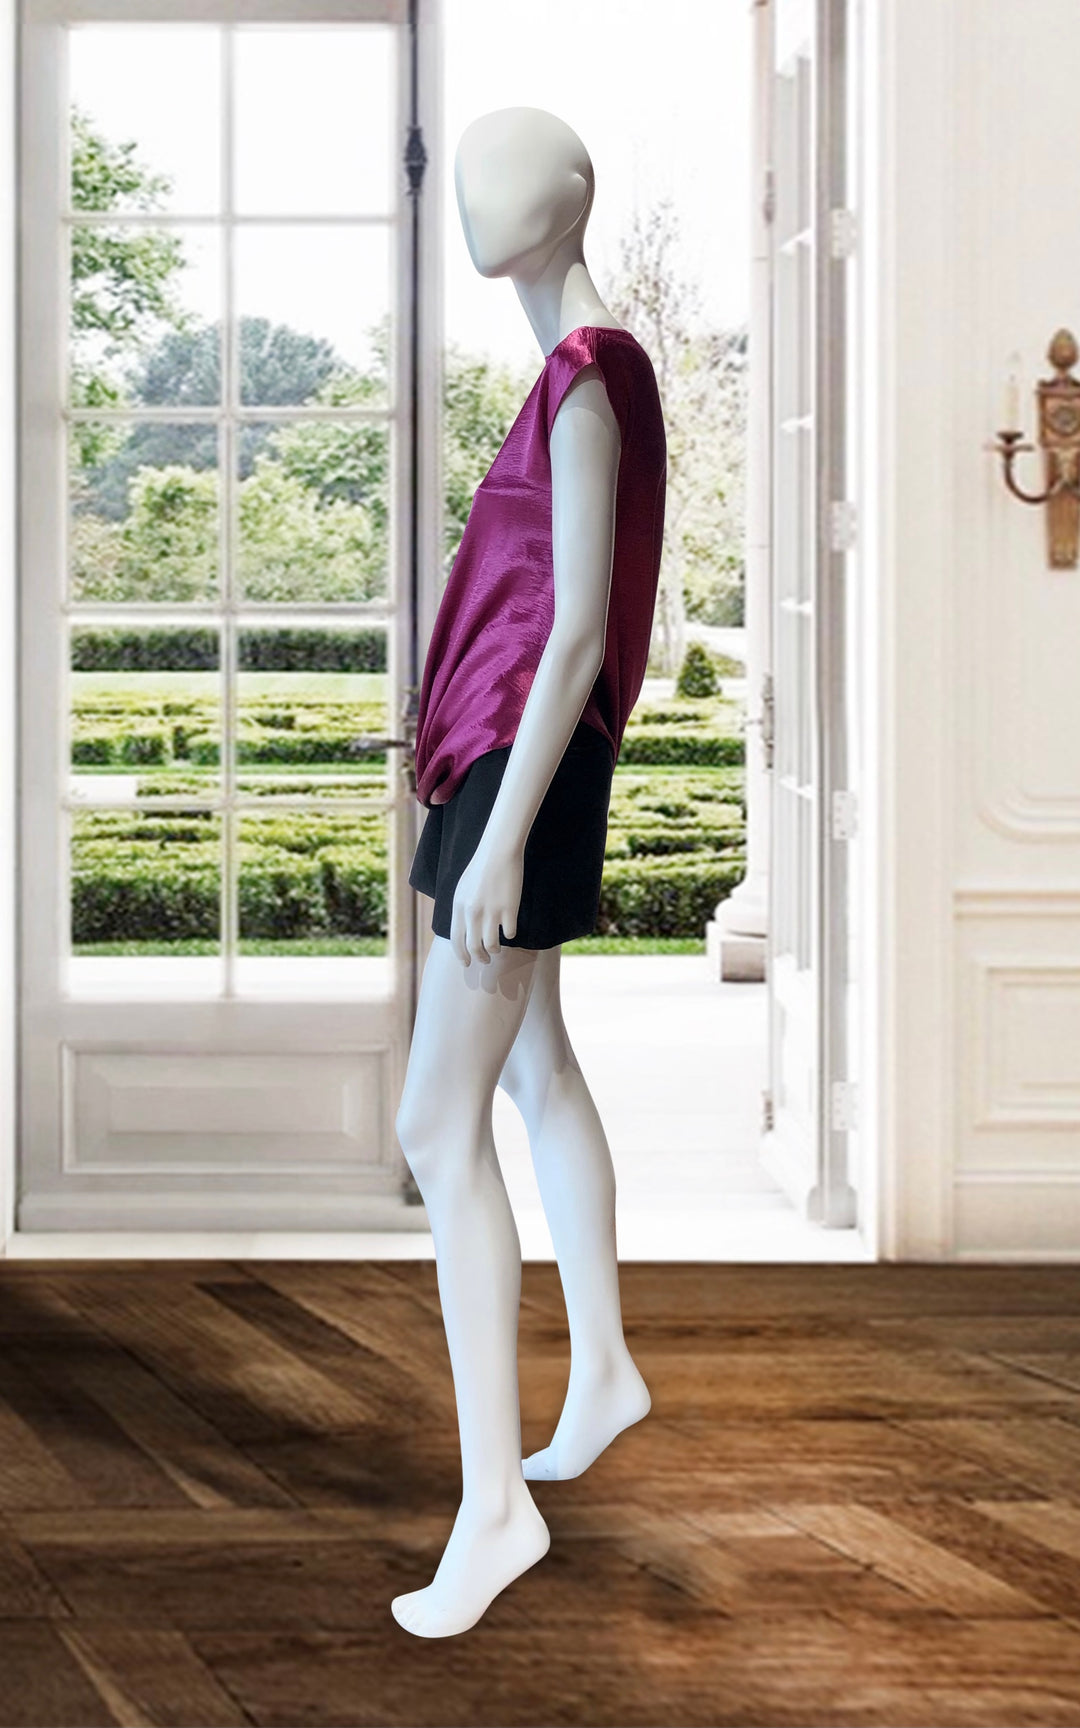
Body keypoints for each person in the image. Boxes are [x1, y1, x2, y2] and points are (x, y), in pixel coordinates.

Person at [391, 105, 667, 1639]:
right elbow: (526, 610)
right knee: (535, 1069)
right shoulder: (580, 368)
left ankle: (496, 1511)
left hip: (525, 775)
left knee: (437, 1125)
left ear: (569, 200)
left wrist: (499, 839)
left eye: (509, 176)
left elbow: (576, 637)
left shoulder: (588, 375)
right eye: (466, 178)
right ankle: (605, 1367)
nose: (474, 203)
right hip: (502, 760)